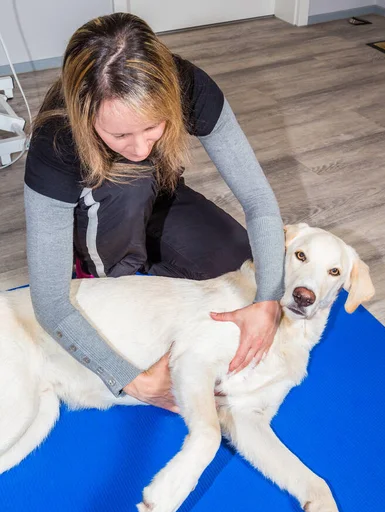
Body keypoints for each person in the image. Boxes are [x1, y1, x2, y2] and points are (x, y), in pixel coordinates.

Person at [24, 13, 284, 413]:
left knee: (239, 266)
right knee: (129, 187)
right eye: (120, 135)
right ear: (85, 115)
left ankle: (147, 256)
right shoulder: (57, 139)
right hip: (95, 211)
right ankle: (102, 271)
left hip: (159, 194)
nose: (141, 148)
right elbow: (50, 304)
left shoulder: (190, 86)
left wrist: (268, 301)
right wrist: (131, 381)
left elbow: (259, 202)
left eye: (153, 128)